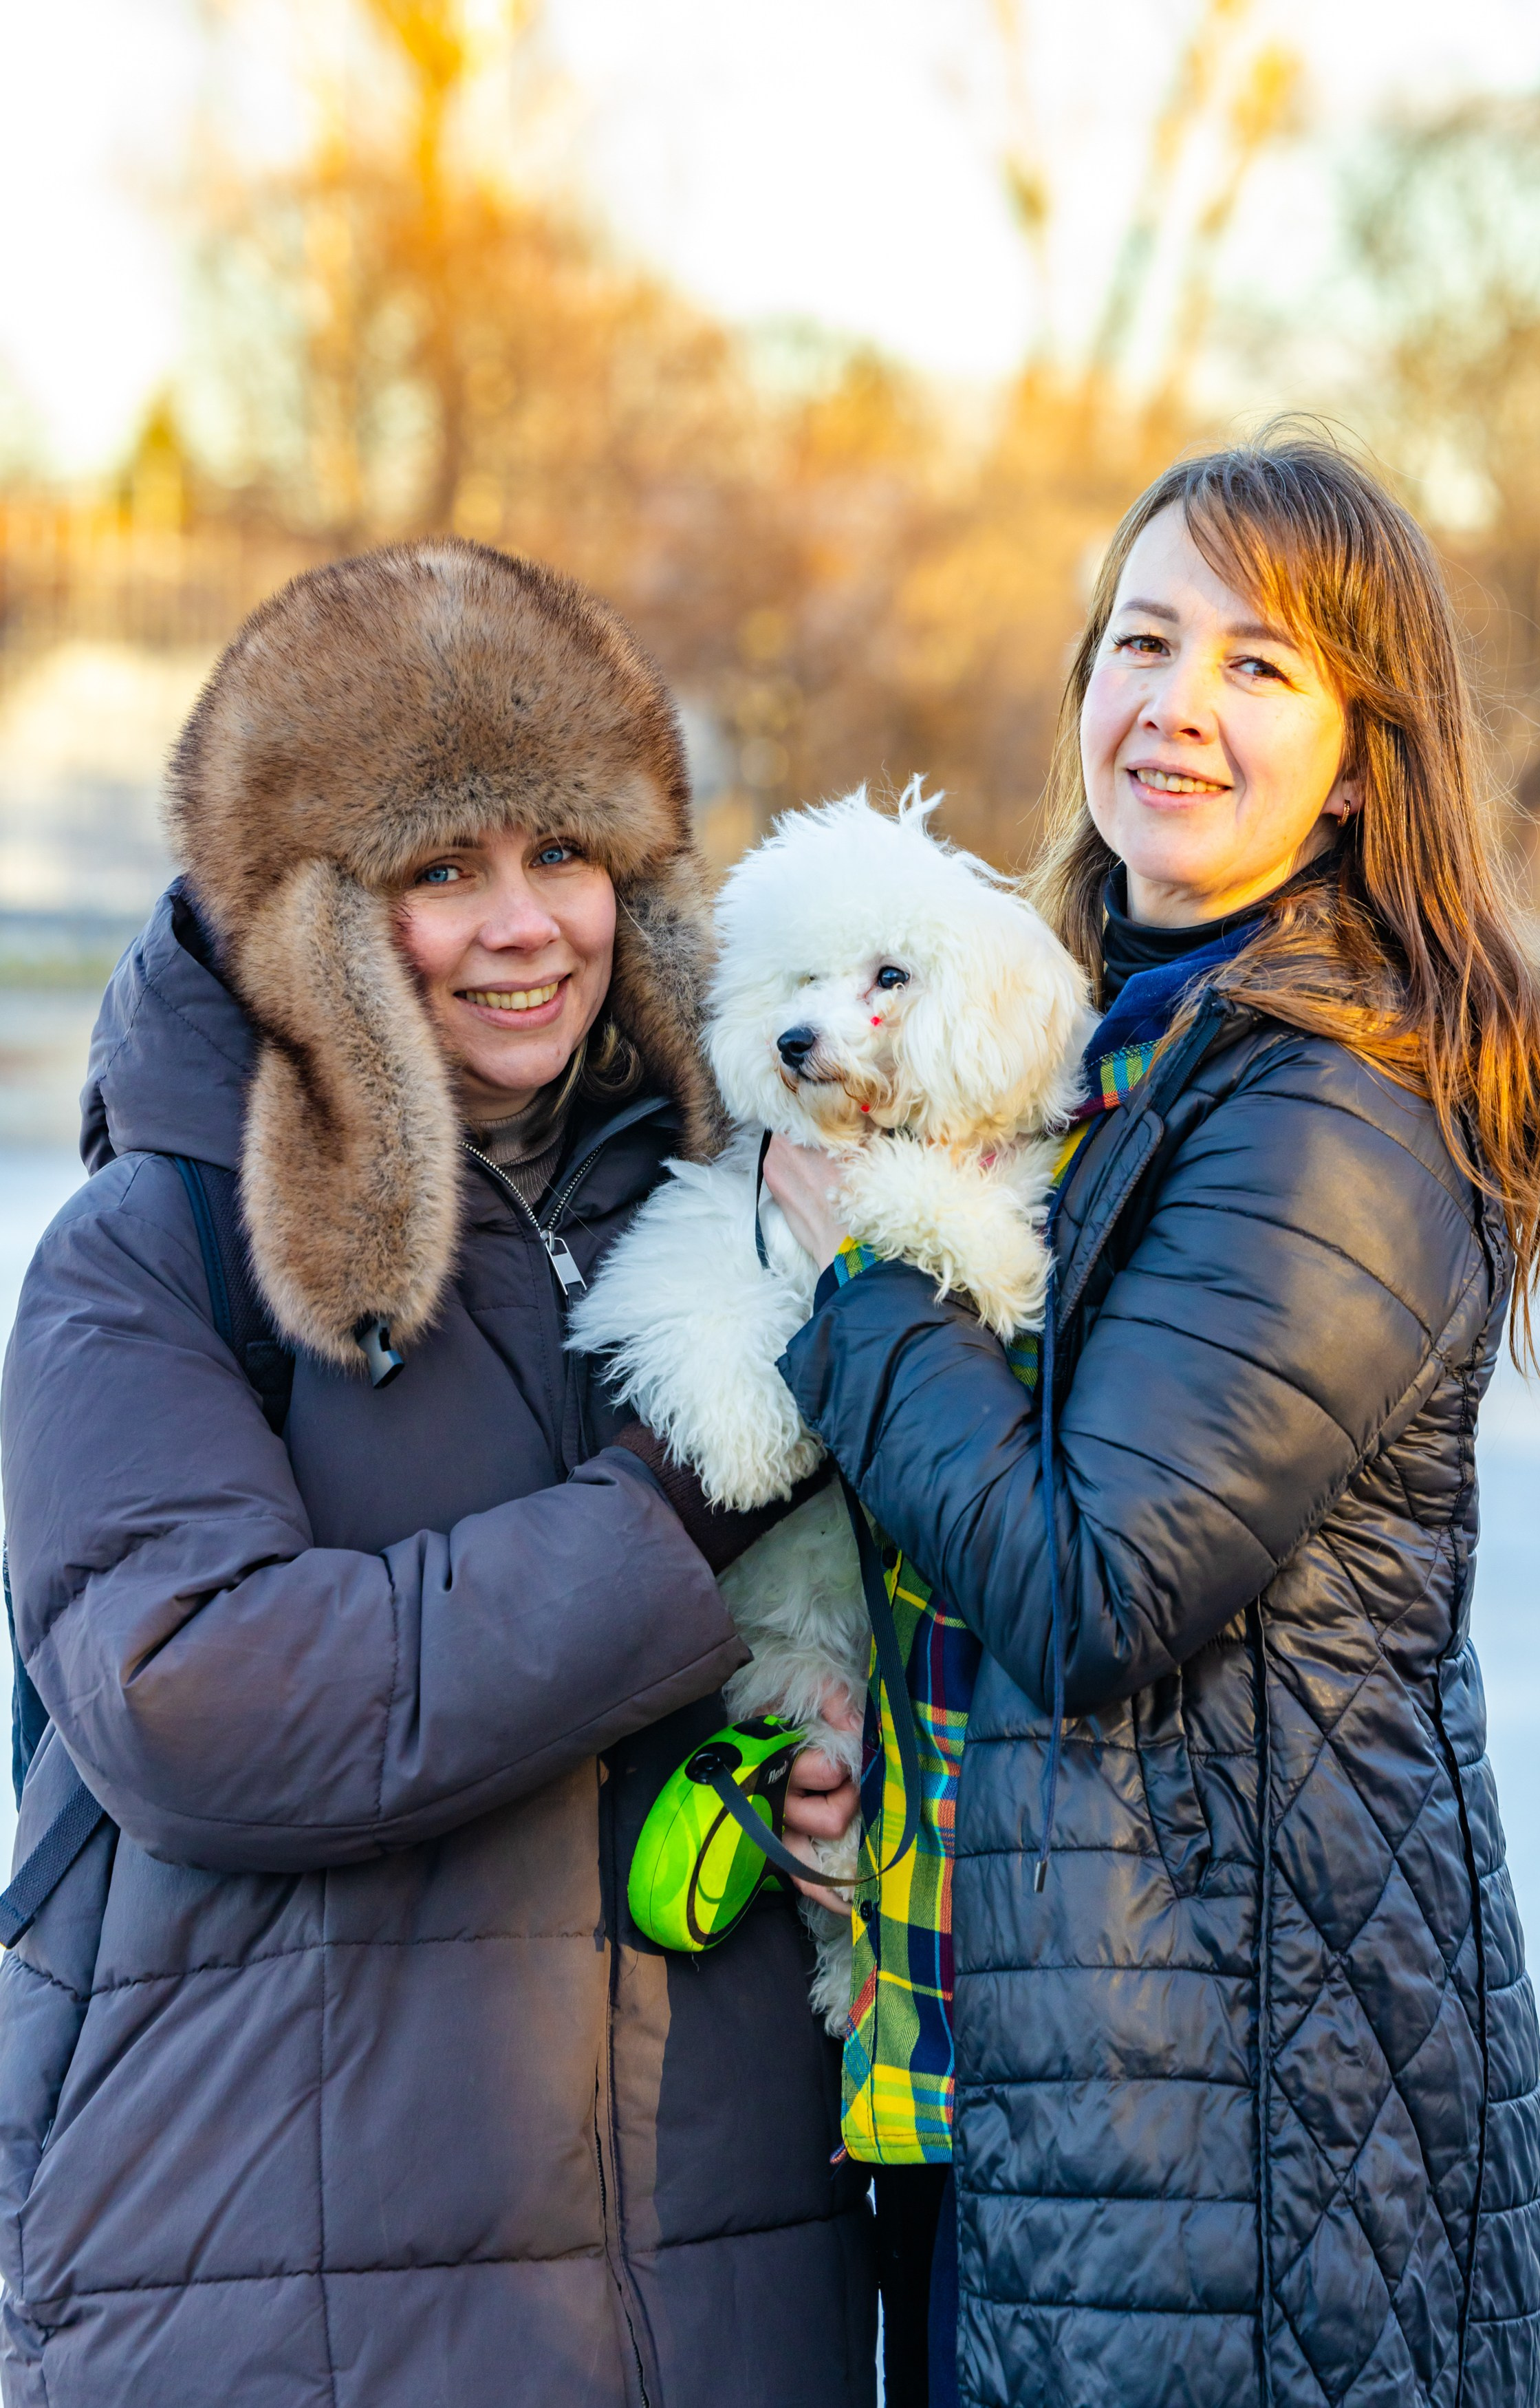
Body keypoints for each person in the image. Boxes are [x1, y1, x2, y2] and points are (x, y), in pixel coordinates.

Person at [763, 436, 1540, 2408]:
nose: (1180, 706)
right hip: (1064, 2049)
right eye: (1146, 640)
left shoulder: (1336, 1099)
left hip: (1239, 2118)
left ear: (1365, 754)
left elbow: (1094, 1578)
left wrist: (852, 1278)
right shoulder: (1115, 1050)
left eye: (1262, 666)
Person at [0, 539, 874, 2408]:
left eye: (565, 853)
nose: (525, 926)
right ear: (307, 904)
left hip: (716, 2292)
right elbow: (202, 1699)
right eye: (440, 869)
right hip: (271, 2299)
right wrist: (672, 1507)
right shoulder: (152, 1251)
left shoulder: (738, 1208)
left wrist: (863, 1741)